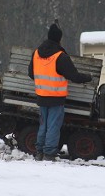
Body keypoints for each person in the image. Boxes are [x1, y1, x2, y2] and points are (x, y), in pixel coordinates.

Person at [28, 20, 92, 161]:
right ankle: (49, 153)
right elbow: (74, 76)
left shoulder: (37, 53)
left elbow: (31, 73)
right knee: (53, 126)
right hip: (56, 98)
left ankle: (39, 152)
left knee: (43, 125)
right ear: (59, 39)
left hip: (41, 96)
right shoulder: (60, 56)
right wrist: (88, 77)